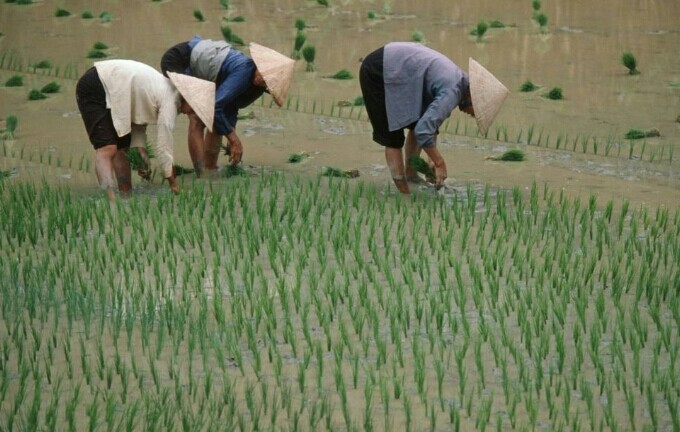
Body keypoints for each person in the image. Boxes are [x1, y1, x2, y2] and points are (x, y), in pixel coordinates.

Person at [359, 42, 509, 194]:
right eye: (475, 112)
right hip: (378, 70)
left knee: (416, 121)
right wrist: (439, 162)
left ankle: (411, 177)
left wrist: (431, 160)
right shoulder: (453, 90)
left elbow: (429, 125)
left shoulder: (458, 79)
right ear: (474, 98)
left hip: (401, 69)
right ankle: (404, 194)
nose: (471, 115)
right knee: (393, 136)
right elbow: (423, 131)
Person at [76, 59, 215, 201]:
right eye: (195, 108)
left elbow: (138, 120)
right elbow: (164, 145)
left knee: (122, 147)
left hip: (115, 87)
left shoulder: (165, 90)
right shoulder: (170, 101)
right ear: (189, 99)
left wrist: (141, 152)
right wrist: (172, 182)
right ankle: (111, 202)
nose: (191, 113)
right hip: (96, 85)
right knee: (108, 148)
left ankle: (126, 196)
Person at [161, 37, 294, 176]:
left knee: (217, 123)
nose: (261, 80)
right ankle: (201, 175)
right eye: (263, 74)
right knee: (197, 117)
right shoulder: (244, 70)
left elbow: (231, 105)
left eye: (266, 82)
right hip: (180, 60)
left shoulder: (258, 86)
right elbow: (216, 106)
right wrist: (233, 139)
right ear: (259, 65)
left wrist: (231, 130)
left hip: (205, 71)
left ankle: (210, 168)